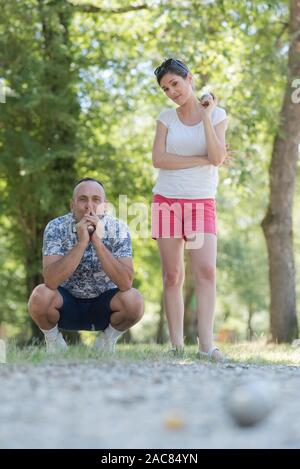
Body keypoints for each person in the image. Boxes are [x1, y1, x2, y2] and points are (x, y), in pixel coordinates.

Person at [151, 58, 228, 361]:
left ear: (189, 79)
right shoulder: (166, 118)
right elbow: (159, 159)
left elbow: (218, 156)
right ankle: (177, 346)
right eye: (165, 88)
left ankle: (206, 346)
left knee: (206, 271)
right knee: (172, 275)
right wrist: (199, 159)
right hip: (166, 201)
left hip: (201, 202)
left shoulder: (218, 114)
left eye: (175, 83)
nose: (171, 91)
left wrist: (207, 116)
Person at [28, 177, 144, 353]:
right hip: (66, 305)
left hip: (105, 306)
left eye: (96, 199)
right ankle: (53, 342)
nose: (89, 206)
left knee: (134, 301)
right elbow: (50, 281)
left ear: (105, 205)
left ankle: (106, 341)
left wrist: (97, 240)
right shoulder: (56, 227)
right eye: (83, 199)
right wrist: (82, 243)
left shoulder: (118, 229)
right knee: (39, 296)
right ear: (72, 205)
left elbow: (126, 283)